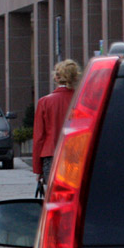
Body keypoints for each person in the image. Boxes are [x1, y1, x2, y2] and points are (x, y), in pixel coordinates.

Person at [33, 59, 81, 189]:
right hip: (77, 155)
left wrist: (38, 169)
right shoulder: (82, 101)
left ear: (56, 77)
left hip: (51, 155)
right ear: (75, 77)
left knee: (55, 195)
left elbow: (39, 137)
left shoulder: (45, 102)